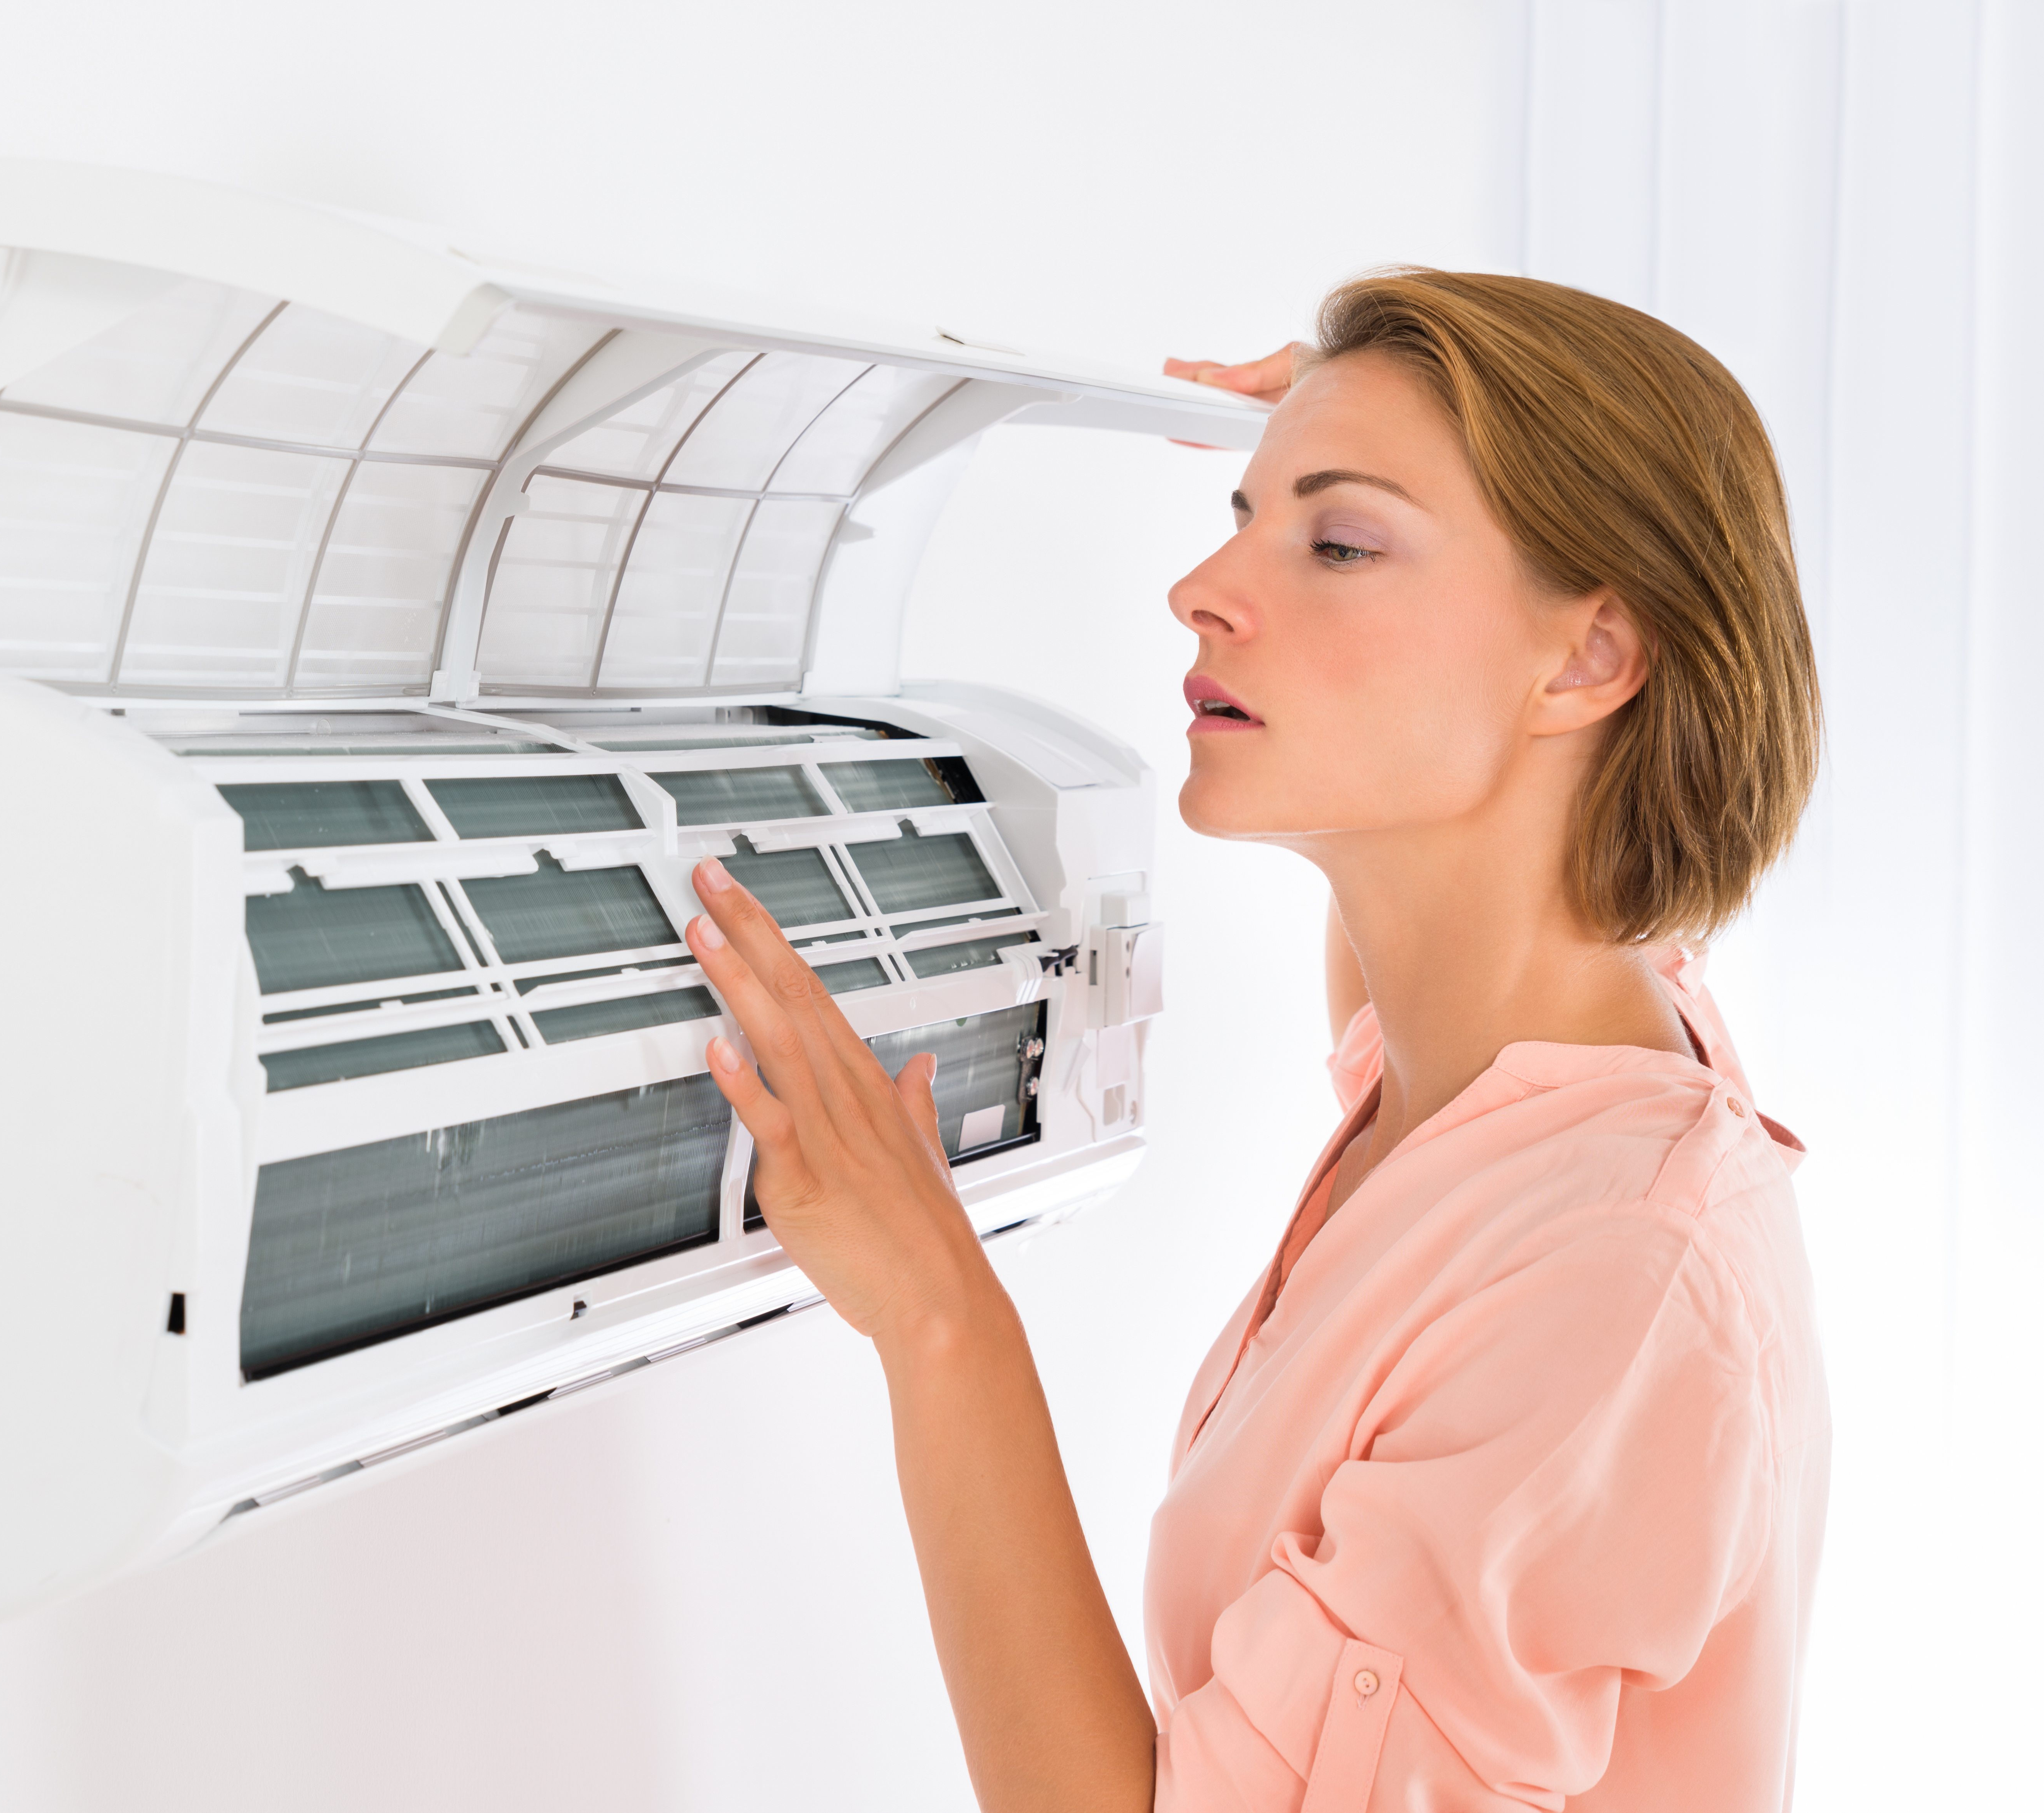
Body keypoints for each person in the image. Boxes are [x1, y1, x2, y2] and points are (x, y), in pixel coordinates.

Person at [679, 269, 1828, 1811]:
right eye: (1239, 516)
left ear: (1584, 662)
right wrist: (1351, 421)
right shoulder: (1521, 1031)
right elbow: (1436, 875)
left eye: (1337, 544)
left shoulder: (1605, 1277)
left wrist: (937, 1316)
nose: (1200, 589)